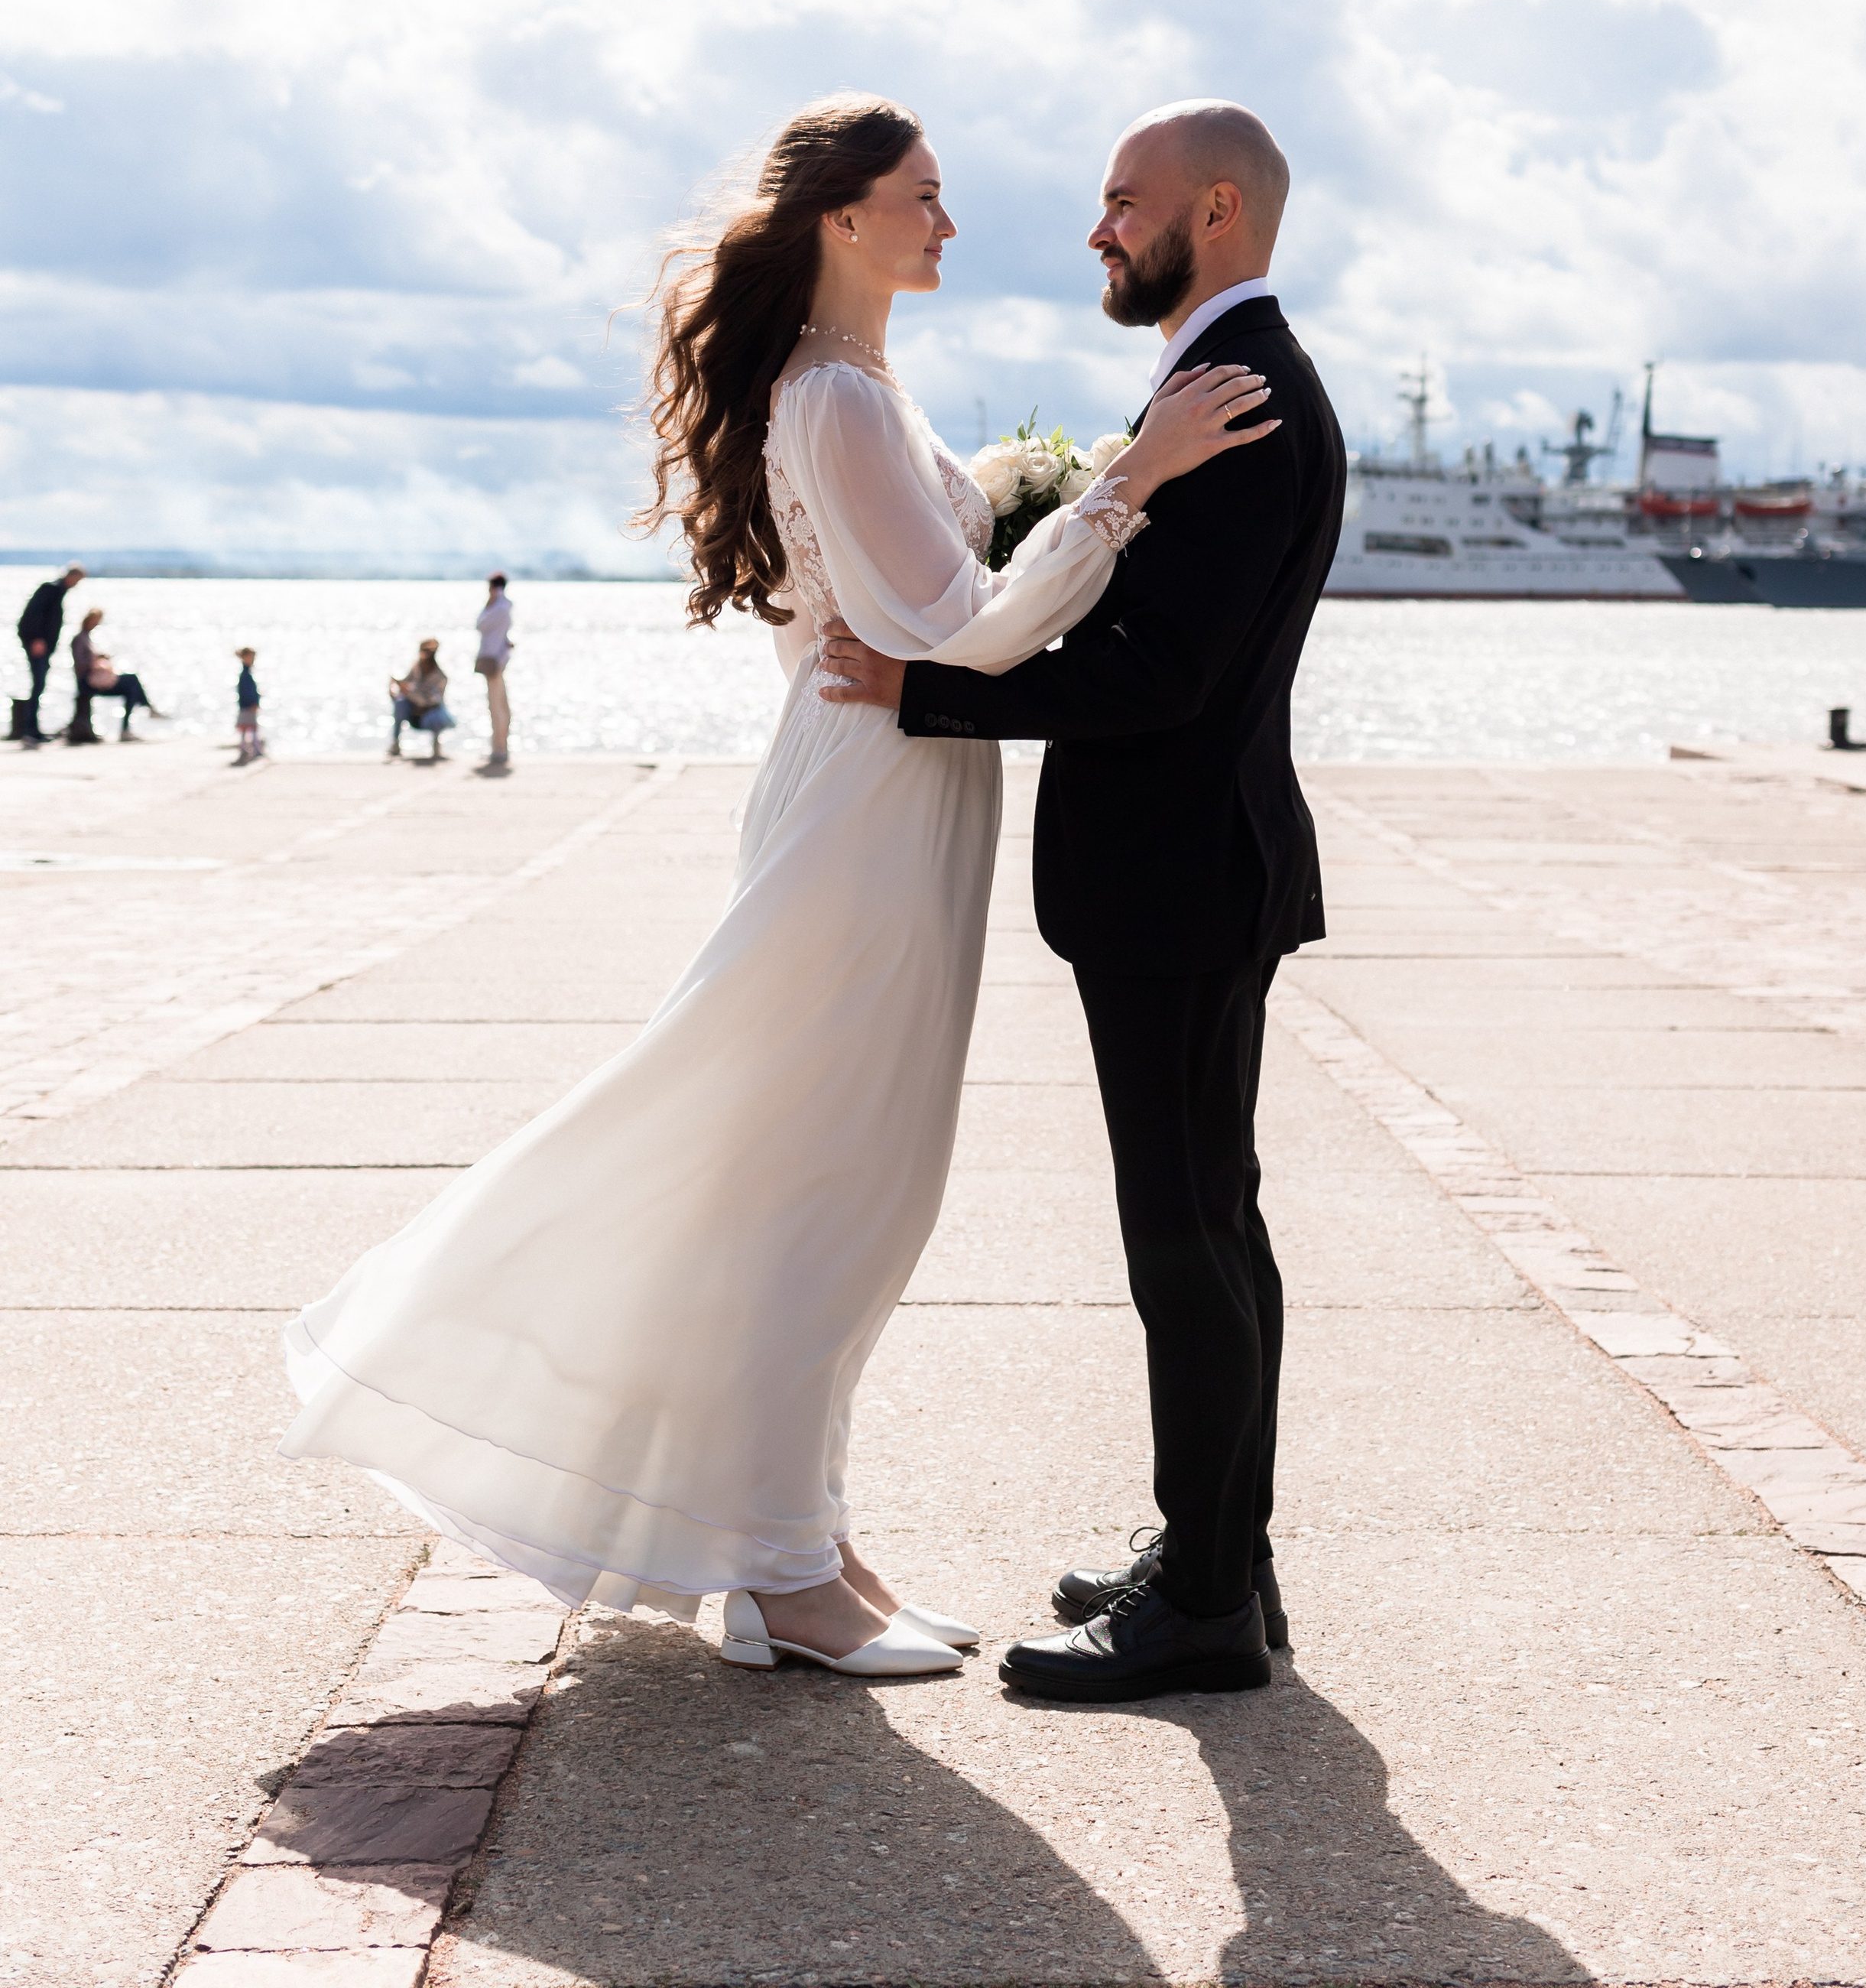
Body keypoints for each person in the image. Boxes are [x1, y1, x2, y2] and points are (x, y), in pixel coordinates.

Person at [280, 93, 1273, 1683]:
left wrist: (1042, 499)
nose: (949, 223)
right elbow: (961, 632)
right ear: (841, 217)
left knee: (857, 1179)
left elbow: (934, 622)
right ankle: (774, 1571)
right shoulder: (834, 399)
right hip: (867, 815)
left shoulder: (869, 387)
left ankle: (800, 1544)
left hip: (908, 799)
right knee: (822, 1180)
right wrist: (1121, 485)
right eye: (924, 196)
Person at [822, 99, 1346, 1704]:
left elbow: (1157, 673)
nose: (1097, 231)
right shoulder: (1222, 377)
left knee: (1182, 1237)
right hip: (1201, 871)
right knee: (1210, 1226)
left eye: (1121, 203)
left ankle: (1200, 1602)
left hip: (1181, 879)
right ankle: (1220, 1558)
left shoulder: (1237, 392)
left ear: (1216, 208)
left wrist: (924, 691)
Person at [67, 607, 160, 742]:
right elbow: (81, 663)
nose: (97, 624)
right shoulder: (80, 638)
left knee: (131, 687)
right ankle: (144, 710)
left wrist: (99, 657)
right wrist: (97, 660)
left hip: (95, 679)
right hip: (88, 681)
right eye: (95, 621)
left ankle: (132, 722)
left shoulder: (86, 637)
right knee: (132, 681)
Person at [14, 566, 84, 743]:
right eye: (78, 579)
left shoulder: (58, 591)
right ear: (71, 576)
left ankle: (33, 730)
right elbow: (32, 616)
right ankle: (29, 730)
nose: (77, 584)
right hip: (38, 646)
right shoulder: (50, 589)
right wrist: (36, 639)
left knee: (39, 686)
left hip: (44, 647)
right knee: (38, 685)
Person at [388, 642, 453, 760]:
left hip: (430, 713)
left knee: (436, 716)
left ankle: (436, 746)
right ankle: (395, 744)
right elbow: (406, 683)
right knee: (400, 704)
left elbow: (431, 700)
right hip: (413, 710)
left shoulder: (440, 677)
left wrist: (410, 693)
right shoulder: (416, 668)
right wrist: (395, 686)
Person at [473, 574, 513, 774]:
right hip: (499, 659)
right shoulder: (505, 607)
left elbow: (480, 625)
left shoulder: (498, 607)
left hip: (493, 660)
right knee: (501, 705)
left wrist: (487, 604)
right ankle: (501, 746)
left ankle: (499, 748)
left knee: (496, 706)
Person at [235, 647, 263, 762]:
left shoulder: (247, 673)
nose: (252, 660)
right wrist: (252, 703)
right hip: (247, 706)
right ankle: (248, 749)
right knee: (247, 728)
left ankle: (253, 749)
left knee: (250, 728)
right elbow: (247, 692)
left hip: (247, 706)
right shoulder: (245, 675)